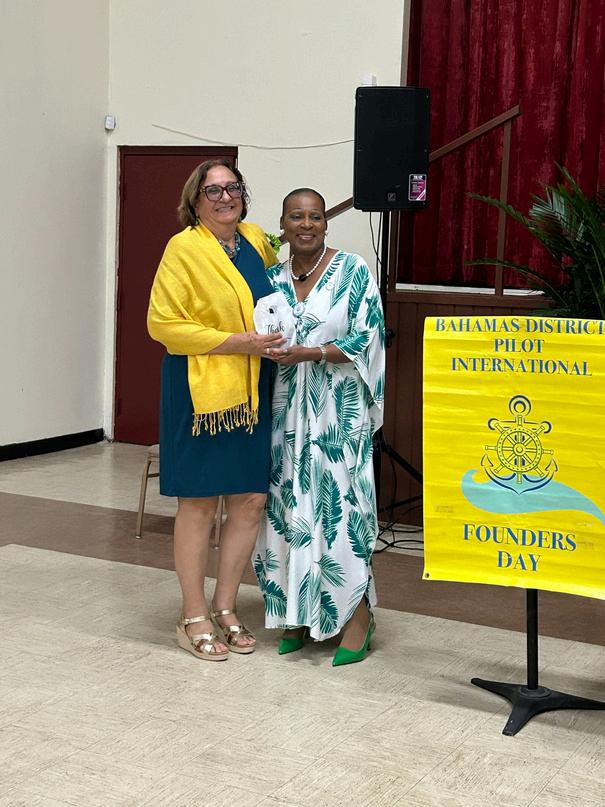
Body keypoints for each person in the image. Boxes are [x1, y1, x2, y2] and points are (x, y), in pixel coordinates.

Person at [147, 159, 284, 661]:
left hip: (253, 389)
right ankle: (193, 615)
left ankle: (225, 607)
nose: (225, 197)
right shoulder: (183, 248)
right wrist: (238, 342)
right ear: (195, 199)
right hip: (201, 392)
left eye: (233, 187)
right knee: (200, 502)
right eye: (213, 190)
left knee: (250, 500)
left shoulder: (255, 241)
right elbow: (163, 324)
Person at [254, 188, 385, 666]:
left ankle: (357, 616)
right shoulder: (270, 279)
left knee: (340, 511)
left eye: (314, 216)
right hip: (285, 415)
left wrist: (310, 353)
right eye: (296, 216)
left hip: (337, 415)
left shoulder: (352, 271)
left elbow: (368, 336)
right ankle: (296, 612)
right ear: (283, 225)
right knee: (287, 509)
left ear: (326, 223)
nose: (306, 224)